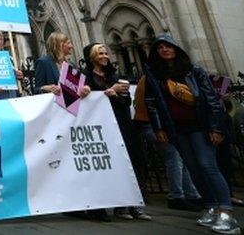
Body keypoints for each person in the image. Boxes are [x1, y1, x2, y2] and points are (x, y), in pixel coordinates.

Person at [144, 35, 238, 233]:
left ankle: (226, 212)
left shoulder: (194, 70)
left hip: (199, 126)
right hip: (177, 128)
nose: (164, 50)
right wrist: (159, 128)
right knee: (193, 168)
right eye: (160, 47)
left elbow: (210, 98)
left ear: (176, 48)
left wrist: (215, 127)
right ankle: (211, 206)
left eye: (168, 46)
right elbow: (152, 103)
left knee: (207, 165)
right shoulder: (155, 74)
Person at [84, 43, 152, 221]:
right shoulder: (88, 77)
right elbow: (87, 100)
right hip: (102, 125)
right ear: (92, 57)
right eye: (100, 53)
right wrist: (108, 91)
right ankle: (121, 206)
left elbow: (127, 100)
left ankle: (136, 205)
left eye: (106, 53)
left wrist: (115, 94)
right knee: (114, 164)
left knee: (131, 161)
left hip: (122, 122)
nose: (105, 56)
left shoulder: (115, 75)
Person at [133, 73, 203, 211]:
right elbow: (152, 105)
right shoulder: (153, 78)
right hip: (153, 125)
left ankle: (192, 194)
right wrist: (159, 128)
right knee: (174, 158)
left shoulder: (149, 78)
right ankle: (176, 195)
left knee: (179, 159)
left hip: (157, 125)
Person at [34, 32, 91, 98]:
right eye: (68, 43)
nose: (71, 46)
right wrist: (46, 88)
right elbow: (36, 90)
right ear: (60, 45)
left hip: (72, 105)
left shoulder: (71, 64)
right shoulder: (43, 62)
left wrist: (86, 88)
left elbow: (78, 86)